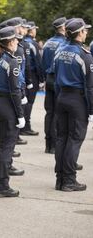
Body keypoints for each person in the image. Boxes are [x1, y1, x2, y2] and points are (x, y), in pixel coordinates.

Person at [53, 18, 92, 192]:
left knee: (62, 138)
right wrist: (91, 109)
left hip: (62, 97)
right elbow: (90, 86)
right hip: (77, 100)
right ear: (80, 33)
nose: (87, 33)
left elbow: (55, 79)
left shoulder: (60, 51)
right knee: (74, 139)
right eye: (85, 31)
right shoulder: (85, 55)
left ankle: (60, 178)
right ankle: (69, 180)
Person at [0, 26, 24, 198]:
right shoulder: (12, 61)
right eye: (16, 39)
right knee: (6, 148)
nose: (18, 42)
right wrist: (21, 114)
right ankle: (1, 186)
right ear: (9, 43)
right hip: (6, 106)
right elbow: (15, 91)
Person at [42, 17, 67, 154]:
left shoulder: (48, 43)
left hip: (49, 78)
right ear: (63, 28)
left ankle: (48, 144)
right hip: (57, 79)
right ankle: (54, 145)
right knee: (57, 113)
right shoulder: (64, 44)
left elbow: (43, 62)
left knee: (49, 112)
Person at [22, 21, 44, 136]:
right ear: (32, 30)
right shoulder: (32, 44)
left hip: (25, 74)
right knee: (29, 101)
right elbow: (38, 62)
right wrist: (41, 79)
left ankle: (23, 125)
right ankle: (26, 126)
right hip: (32, 75)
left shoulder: (23, 42)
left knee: (24, 100)